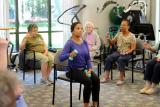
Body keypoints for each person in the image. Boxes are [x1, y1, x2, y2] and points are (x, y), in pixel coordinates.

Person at [59, 22, 100, 107]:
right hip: (72, 71)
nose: (80, 30)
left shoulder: (84, 42)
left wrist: (89, 68)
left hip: (84, 70)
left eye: (81, 28)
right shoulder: (69, 43)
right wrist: (69, 54)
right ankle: (86, 105)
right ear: (72, 31)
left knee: (96, 79)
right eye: (78, 28)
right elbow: (61, 57)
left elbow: (88, 58)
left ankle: (95, 103)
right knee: (88, 81)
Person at [101, 19, 136, 85]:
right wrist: (109, 39)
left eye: (124, 25)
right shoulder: (118, 34)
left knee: (121, 59)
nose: (121, 26)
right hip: (119, 52)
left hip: (129, 53)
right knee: (108, 58)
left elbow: (133, 48)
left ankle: (121, 79)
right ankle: (106, 77)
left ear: (128, 27)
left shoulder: (132, 36)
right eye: (121, 25)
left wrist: (127, 52)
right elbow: (112, 43)